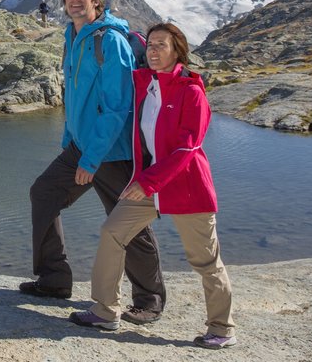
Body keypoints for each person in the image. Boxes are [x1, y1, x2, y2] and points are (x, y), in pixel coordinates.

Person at [69, 22, 237, 350]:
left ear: (178, 50)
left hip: (185, 186)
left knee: (205, 261)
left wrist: (148, 182)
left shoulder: (191, 91)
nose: (154, 51)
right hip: (149, 185)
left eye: (162, 45)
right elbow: (112, 66)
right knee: (112, 233)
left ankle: (222, 328)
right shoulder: (145, 82)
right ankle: (105, 310)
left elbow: (187, 149)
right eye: (151, 45)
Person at [21, 0, 167, 326]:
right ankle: (55, 280)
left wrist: (90, 159)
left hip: (113, 151)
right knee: (44, 193)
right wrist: (70, 141)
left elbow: (117, 107)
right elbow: (77, 94)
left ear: (96, 0)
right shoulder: (73, 35)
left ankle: (149, 300)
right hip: (81, 145)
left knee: (126, 223)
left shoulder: (109, 40)